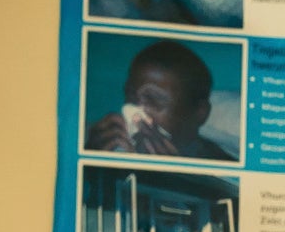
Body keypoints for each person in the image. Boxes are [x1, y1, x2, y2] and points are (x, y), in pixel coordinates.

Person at [85, 40, 238, 162]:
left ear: (200, 113)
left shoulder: (221, 169)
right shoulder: (107, 141)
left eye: (154, 101)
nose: (134, 112)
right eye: (130, 96)